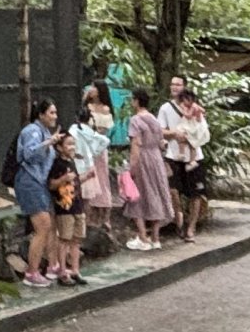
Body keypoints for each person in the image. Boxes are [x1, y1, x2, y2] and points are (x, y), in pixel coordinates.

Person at [12, 101, 58, 282]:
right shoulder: (32, 131)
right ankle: (32, 272)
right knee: (43, 226)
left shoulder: (45, 132)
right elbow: (29, 155)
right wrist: (47, 143)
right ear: (41, 114)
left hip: (39, 182)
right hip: (29, 181)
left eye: (55, 113)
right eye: (51, 112)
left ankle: (49, 266)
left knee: (48, 225)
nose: (55, 116)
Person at [123, 89, 174, 250]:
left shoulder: (135, 120)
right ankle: (156, 237)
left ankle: (143, 237)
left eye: (133, 100)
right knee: (156, 193)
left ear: (137, 101)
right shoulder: (153, 119)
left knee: (137, 196)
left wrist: (132, 167)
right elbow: (161, 142)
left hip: (144, 159)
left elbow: (136, 145)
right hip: (156, 159)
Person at [159, 78, 208, 242]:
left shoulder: (195, 107)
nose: (174, 87)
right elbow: (160, 130)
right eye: (172, 84)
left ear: (185, 87)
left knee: (196, 193)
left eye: (178, 84)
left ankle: (191, 227)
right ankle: (178, 216)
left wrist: (190, 137)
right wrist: (175, 134)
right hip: (173, 155)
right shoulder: (165, 108)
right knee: (173, 189)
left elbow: (202, 128)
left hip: (194, 156)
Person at [74, 95, 119, 248]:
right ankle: (90, 222)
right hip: (92, 162)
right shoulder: (89, 132)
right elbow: (105, 140)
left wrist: (78, 154)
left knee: (84, 195)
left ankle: (87, 223)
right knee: (88, 195)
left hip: (84, 165)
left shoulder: (75, 130)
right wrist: (94, 151)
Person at [46, 129, 86, 285]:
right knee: (64, 239)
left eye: (73, 144)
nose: (72, 147)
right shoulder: (57, 164)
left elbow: (75, 181)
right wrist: (63, 178)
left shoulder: (72, 162)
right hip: (64, 208)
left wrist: (87, 176)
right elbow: (51, 184)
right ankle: (62, 270)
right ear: (59, 147)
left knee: (77, 239)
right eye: (69, 144)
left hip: (77, 205)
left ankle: (75, 269)